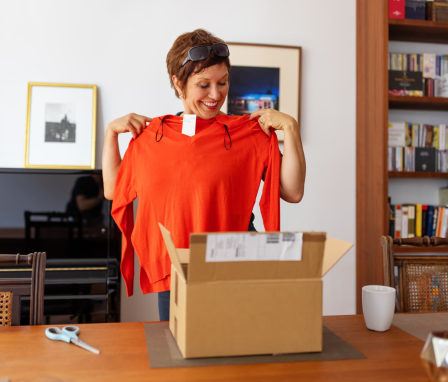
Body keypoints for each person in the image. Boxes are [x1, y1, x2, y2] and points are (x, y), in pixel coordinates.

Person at [103, 29, 306, 321]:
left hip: (238, 263)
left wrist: (291, 129)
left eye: (222, 83)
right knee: (178, 356)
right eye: (203, 85)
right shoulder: (152, 138)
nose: (216, 95)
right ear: (178, 83)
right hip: (176, 268)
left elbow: (293, 191)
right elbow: (114, 189)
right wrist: (111, 134)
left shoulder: (247, 133)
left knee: (239, 357)